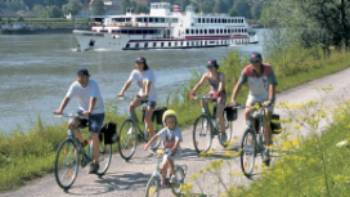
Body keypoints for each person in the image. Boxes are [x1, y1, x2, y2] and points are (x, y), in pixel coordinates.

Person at [230, 52, 278, 165]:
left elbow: (272, 85)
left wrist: (270, 100)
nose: (254, 64)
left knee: (266, 119)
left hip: (267, 96)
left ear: (261, 61)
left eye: (256, 61)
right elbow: (238, 85)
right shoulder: (246, 70)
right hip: (254, 96)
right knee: (247, 113)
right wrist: (233, 99)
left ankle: (266, 149)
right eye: (252, 62)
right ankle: (251, 132)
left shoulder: (268, 69)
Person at [54, 68, 105, 174]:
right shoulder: (75, 85)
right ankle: (83, 143)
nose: (80, 80)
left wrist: (90, 110)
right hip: (82, 112)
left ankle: (95, 162)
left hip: (97, 112)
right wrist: (60, 109)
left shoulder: (93, 84)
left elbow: (93, 99)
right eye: (79, 78)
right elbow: (67, 97)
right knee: (71, 124)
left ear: (87, 77)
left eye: (82, 77)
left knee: (94, 134)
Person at [118, 57, 157, 139]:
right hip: (141, 94)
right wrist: (122, 91)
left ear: (144, 64)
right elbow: (128, 82)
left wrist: (145, 94)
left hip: (151, 97)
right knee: (131, 106)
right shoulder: (135, 72)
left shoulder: (149, 73)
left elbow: (147, 86)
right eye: (137, 63)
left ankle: (153, 137)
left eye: (141, 63)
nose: (139, 65)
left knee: (147, 119)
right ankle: (134, 125)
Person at [189, 59, 227, 142]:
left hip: (221, 94)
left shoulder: (221, 75)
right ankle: (206, 116)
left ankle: (223, 133)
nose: (209, 68)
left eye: (211, 67)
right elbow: (199, 83)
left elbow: (221, 85)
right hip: (212, 93)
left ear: (215, 67)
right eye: (208, 67)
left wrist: (218, 93)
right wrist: (193, 92)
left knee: (219, 114)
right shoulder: (206, 75)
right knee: (202, 99)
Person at [144, 109, 182, 187]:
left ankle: (174, 175)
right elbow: (155, 136)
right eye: (169, 122)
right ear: (165, 123)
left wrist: (174, 148)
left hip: (175, 151)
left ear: (176, 122)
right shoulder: (164, 130)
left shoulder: (177, 130)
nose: (171, 124)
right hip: (167, 151)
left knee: (168, 160)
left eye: (173, 122)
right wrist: (148, 144)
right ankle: (164, 181)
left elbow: (177, 140)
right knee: (163, 166)